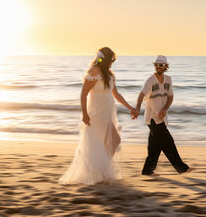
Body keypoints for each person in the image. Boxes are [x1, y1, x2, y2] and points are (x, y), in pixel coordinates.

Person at [59, 47, 135, 185]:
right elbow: (83, 94)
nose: (113, 62)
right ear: (106, 59)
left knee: (110, 142)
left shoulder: (110, 75)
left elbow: (116, 94)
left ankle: (100, 171)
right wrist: (84, 114)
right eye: (112, 59)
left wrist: (130, 107)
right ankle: (101, 172)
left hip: (108, 113)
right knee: (111, 141)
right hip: (97, 113)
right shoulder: (94, 72)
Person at [132, 55, 194, 176]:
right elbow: (141, 95)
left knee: (155, 146)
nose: (158, 67)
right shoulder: (150, 80)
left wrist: (165, 108)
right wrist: (138, 107)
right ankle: (182, 168)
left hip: (162, 117)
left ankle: (147, 170)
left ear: (165, 66)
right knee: (168, 142)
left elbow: (170, 96)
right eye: (156, 65)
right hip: (152, 118)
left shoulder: (168, 80)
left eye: (161, 65)